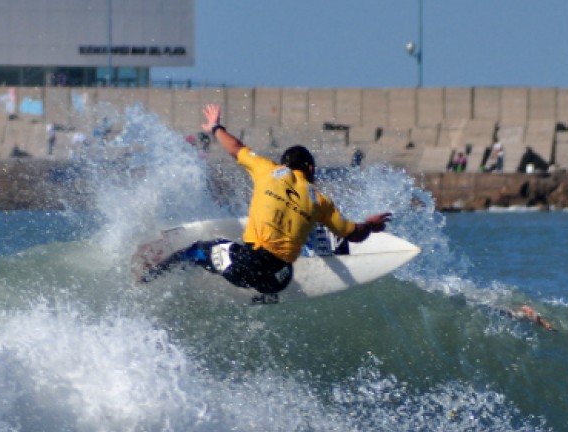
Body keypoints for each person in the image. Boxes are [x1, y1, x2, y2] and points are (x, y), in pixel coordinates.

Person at [140, 104, 392, 295]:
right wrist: (370, 225)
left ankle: (147, 279)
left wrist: (216, 127)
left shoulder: (268, 171)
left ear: (285, 164)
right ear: (310, 169)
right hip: (277, 278)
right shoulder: (320, 201)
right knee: (282, 259)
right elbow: (353, 234)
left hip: (245, 267)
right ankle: (266, 285)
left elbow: (236, 148)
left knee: (195, 250)